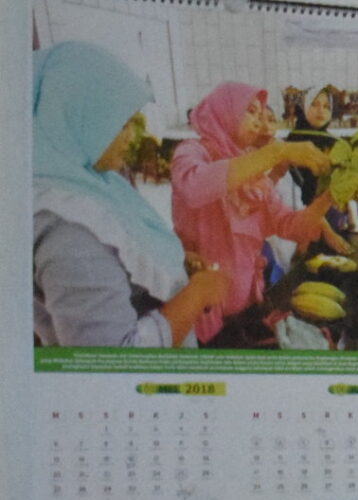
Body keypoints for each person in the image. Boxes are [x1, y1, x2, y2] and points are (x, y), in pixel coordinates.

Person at [30, 42, 229, 348]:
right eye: (121, 124)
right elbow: (111, 358)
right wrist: (197, 294)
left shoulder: (91, 180)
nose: (131, 136)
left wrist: (173, 266)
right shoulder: (70, 232)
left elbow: (121, 252)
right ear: (78, 118)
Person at [168, 82, 344, 342]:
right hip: (201, 311)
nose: (259, 122)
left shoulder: (253, 172)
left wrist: (331, 195)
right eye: (251, 111)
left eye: (261, 114)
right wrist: (277, 152)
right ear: (225, 111)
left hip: (247, 305)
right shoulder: (192, 151)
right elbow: (195, 187)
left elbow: (289, 224)